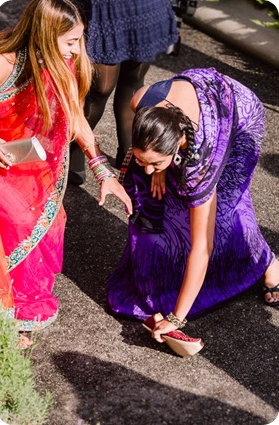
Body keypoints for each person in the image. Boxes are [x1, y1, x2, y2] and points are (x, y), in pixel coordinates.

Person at [106, 67, 279, 347]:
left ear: (177, 146)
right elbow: (149, 141)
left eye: (156, 163)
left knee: (223, 209)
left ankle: (268, 262)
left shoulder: (201, 165)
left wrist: (175, 319)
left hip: (241, 119)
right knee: (167, 199)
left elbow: (202, 247)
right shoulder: (143, 101)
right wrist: (159, 167)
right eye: (142, 160)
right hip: (197, 113)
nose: (148, 170)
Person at [0, 0, 132, 333]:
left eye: (79, 40)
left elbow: (74, 115)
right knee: (19, 217)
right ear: (45, 35)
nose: (77, 50)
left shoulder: (60, 61)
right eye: (71, 41)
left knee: (52, 219)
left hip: (26, 158)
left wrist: (102, 170)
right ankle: (9, 313)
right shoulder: (2, 63)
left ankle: (19, 304)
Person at [68, 0, 179, 185]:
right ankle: (77, 147)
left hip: (144, 8)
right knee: (99, 89)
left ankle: (129, 152)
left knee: (133, 82)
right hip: (105, 8)